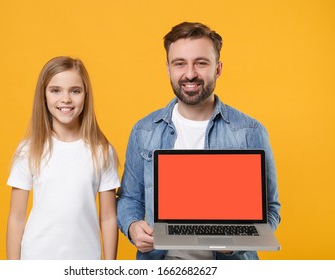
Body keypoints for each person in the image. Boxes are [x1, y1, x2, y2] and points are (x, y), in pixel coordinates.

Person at [116, 22, 280, 260]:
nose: (190, 73)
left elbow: (271, 210)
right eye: (179, 63)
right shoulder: (144, 131)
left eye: (201, 63)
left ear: (218, 69)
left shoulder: (250, 132)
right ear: (168, 68)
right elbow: (130, 198)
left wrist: (236, 243)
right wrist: (132, 226)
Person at [6, 56, 120, 260]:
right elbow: (16, 218)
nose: (66, 99)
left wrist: (110, 268)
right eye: (55, 90)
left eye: (75, 91)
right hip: (36, 261)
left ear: (86, 95)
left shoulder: (102, 151)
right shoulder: (29, 150)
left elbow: (109, 218)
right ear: (44, 95)